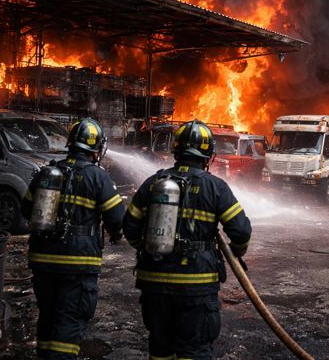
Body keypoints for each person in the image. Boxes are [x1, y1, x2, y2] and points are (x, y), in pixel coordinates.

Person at [124, 119, 252, 360]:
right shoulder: (215, 187)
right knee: (193, 350)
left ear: (176, 150)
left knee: (161, 349)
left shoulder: (154, 182)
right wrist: (237, 251)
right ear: (208, 155)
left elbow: (130, 226)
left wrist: (150, 249)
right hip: (197, 285)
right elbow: (241, 231)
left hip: (154, 282)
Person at [20, 117, 125, 359]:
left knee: (48, 316)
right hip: (77, 264)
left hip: (42, 261)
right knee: (69, 322)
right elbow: (117, 219)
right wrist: (115, 233)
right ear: (96, 149)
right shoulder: (98, 177)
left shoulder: (48, 172)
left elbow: (26, 209)